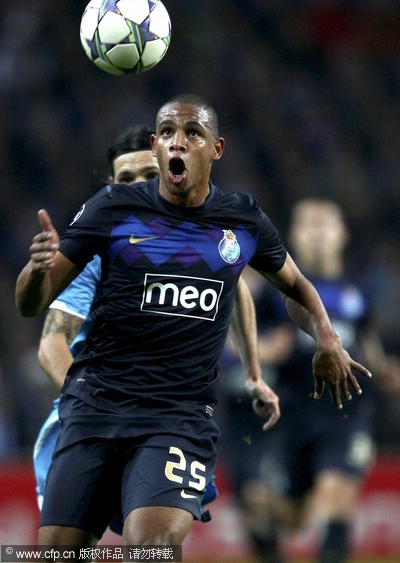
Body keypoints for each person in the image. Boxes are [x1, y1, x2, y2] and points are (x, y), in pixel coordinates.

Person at [15, 94, 371, 549]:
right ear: (155, 144)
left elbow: (291, 286)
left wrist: (325, 337)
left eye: (191, 133)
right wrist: (36, 270)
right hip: (94, 412)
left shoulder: (240, 219)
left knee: (151, 548)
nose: (177, 143)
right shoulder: (111, 210)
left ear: (215, 149)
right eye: (166, 133)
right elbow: (33, 303)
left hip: (176, 417)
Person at [33, 123, 258, 525]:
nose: (136, 188)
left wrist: (254, 371)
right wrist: (92, 404)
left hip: (167, 420)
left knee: (153, 544)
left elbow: (236, 288)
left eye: (148, 177)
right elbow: (52, 346)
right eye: (125, 180)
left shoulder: (204, 245)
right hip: (90, 420)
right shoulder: (97, 252)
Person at [218, 198, 398, 563]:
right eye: (308, 225)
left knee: (336, 496)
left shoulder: (358, 291)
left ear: (342, 234)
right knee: (288, 517)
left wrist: (384, 369)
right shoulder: (272, 289)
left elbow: (369, 347)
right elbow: (233, 337)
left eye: (324, 224)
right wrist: (265, 350)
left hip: (345, 414)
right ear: (294, 237)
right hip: (292, 416)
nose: (316, 233)